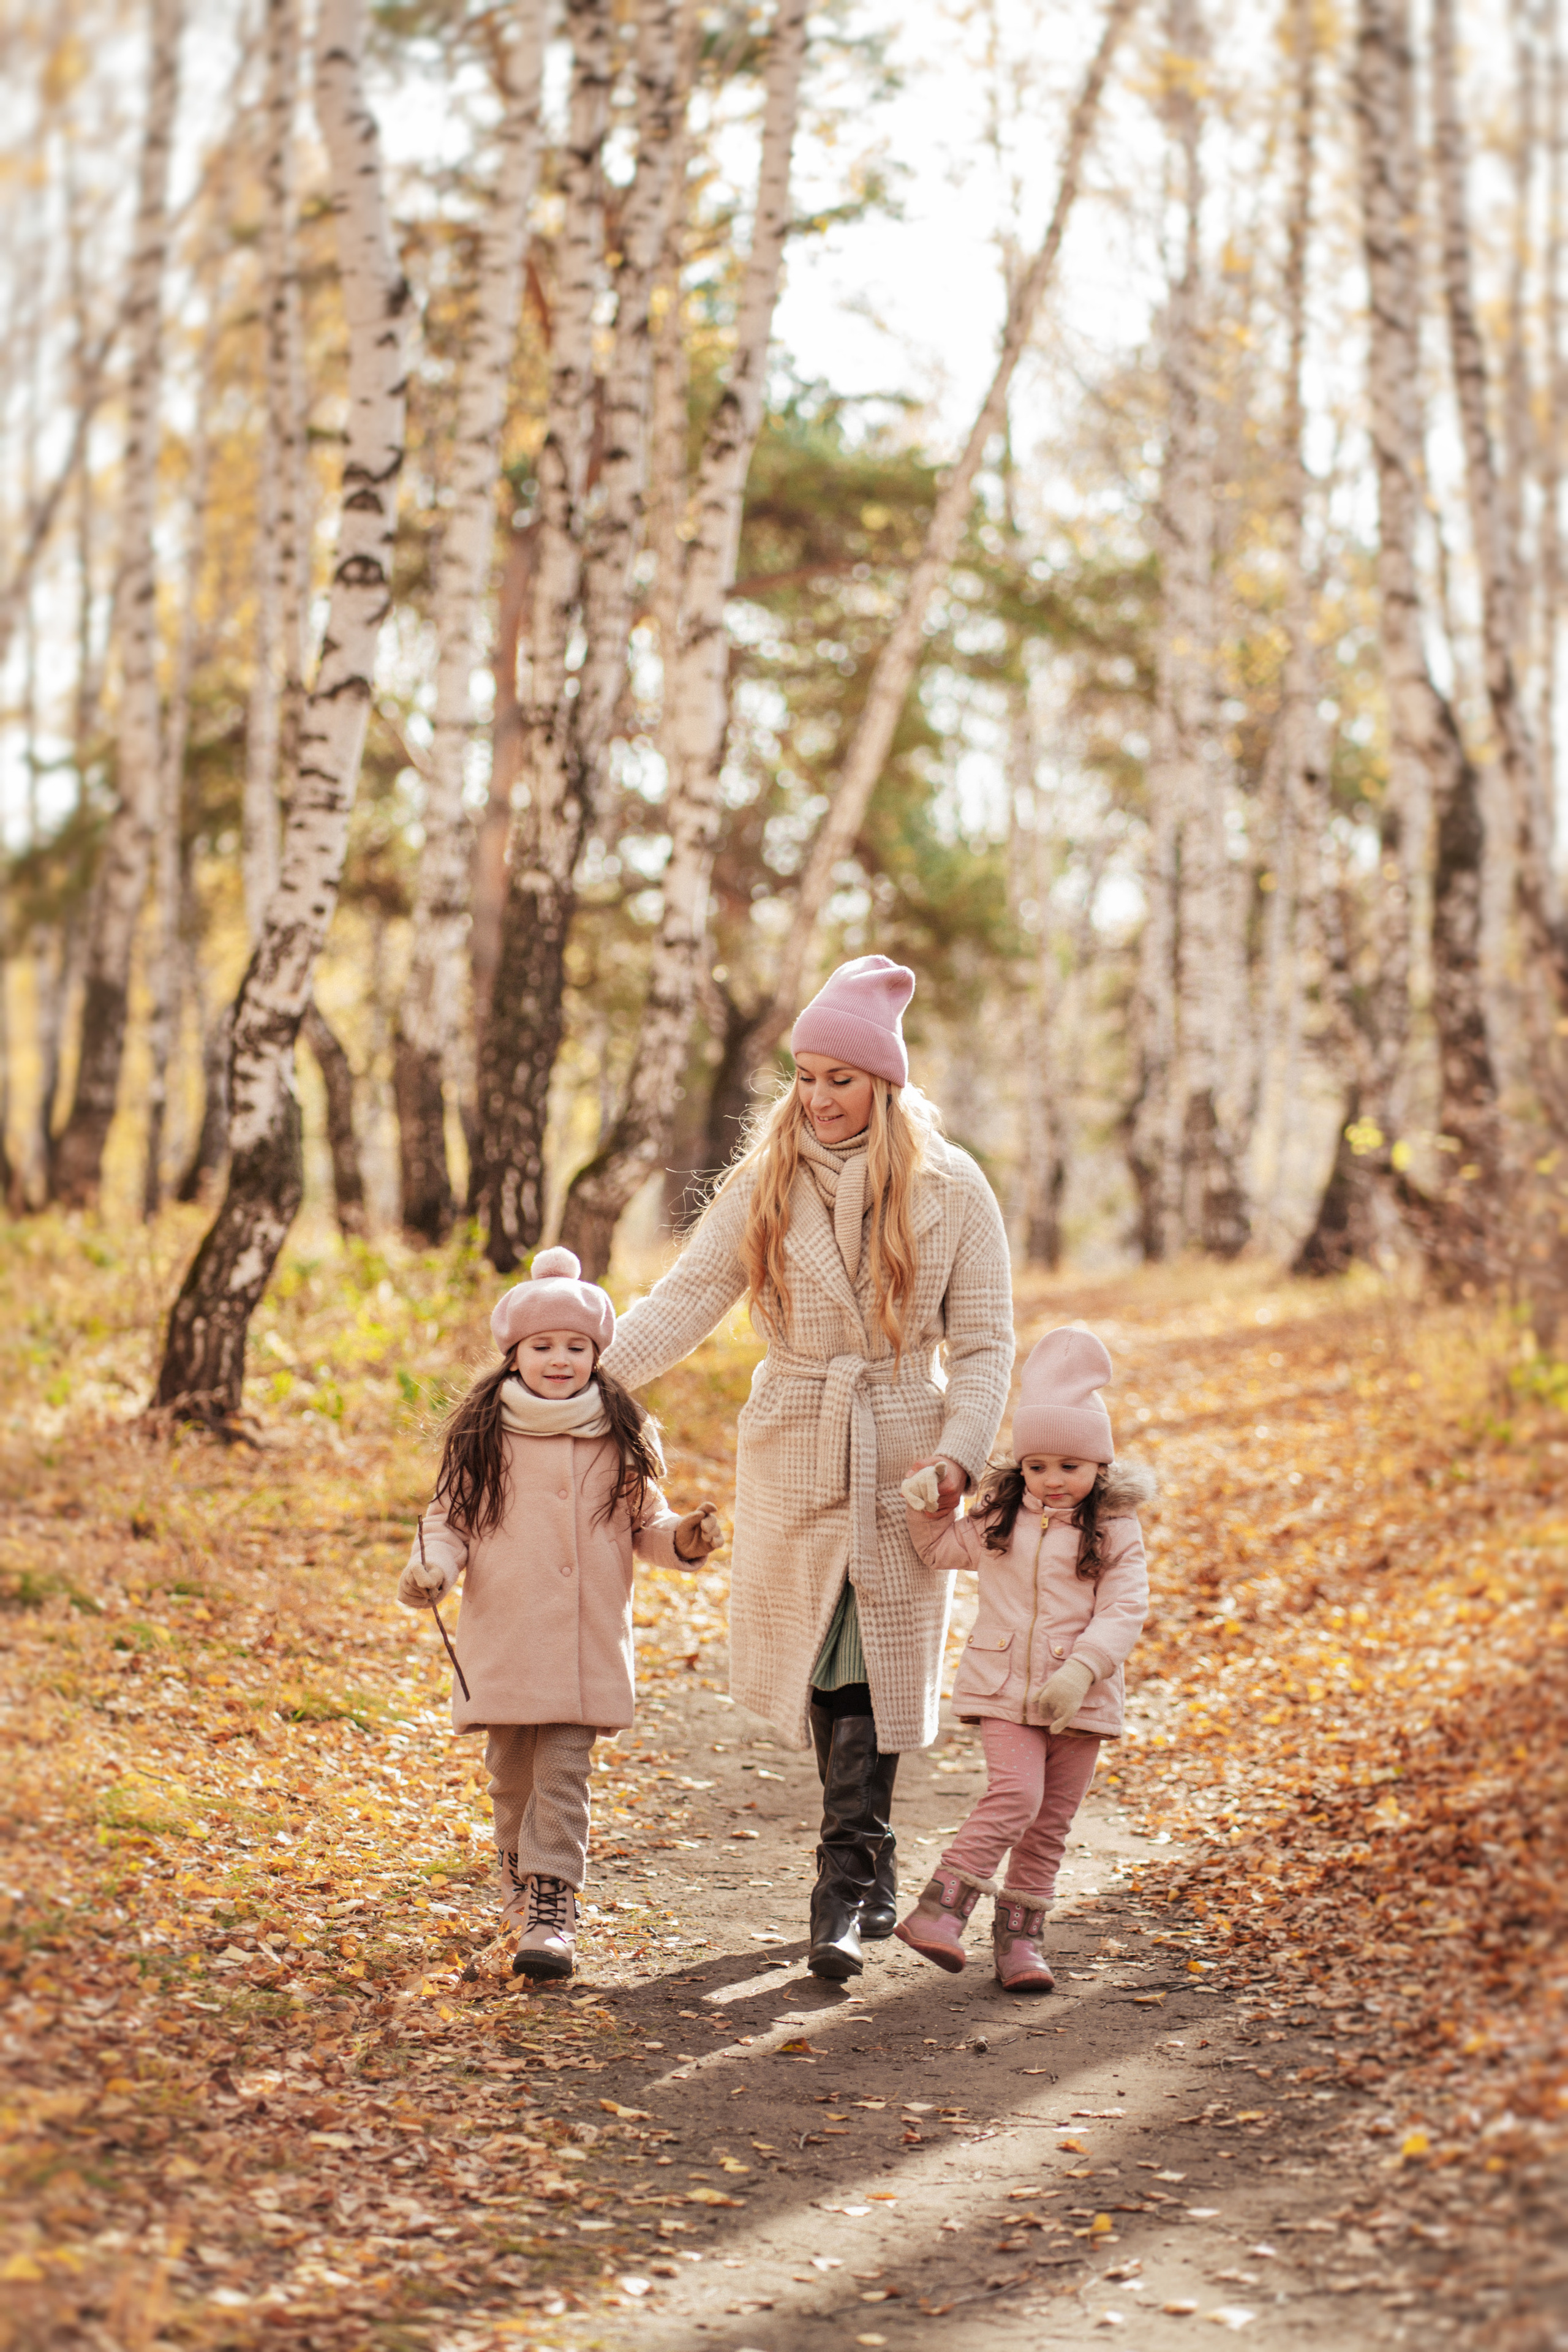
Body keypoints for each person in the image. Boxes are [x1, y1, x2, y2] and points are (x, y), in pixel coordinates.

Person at [600, 954, 1014, 1980]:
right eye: (809, 1077)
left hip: (903, 1445)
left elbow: (988, 1342)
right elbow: (687, 1299)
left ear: (888, 1083)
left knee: (876, 1652)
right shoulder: (766, 1179)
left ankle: (839, 1884)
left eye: (844, 1079)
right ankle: (870, 1865)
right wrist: (581, 1380)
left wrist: (961, 1452)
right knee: (825, 1660)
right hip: (795, 1435)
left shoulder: (954, 1188)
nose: (822, 1099)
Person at [398, 1248, 720, 1982]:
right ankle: (515, 1876)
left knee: (563, 1772)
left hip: (583, 1641)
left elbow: (648, 1524)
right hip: (505, 1636)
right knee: (511, 1776)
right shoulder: (483, 1435)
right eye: (543, 1346)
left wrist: (685, 1541)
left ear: (597, 1355)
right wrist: (432, 1569)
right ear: (514, 1354)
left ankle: (552, 1907)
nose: (560, 1359)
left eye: (576, 1347)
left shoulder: (621, 1430)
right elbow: (446, 1520)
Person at [896, 1324, 1151, 1989]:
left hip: (1082, 1697)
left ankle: (1019, 1943)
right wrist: (927, 1507)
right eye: (1037, 1466)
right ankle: (938, 1910)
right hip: (1004, 1685)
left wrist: (1082, 1669)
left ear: (1100, 1466)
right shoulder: (998, 1519)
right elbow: (936, 1552)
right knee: (1015, 1795)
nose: (1053, 1479)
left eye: (1070, 1466)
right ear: (1021, 1465)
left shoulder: (1116, 1529)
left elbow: (1124, 1609)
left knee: (1049, 1825)